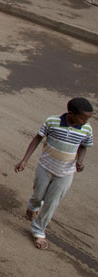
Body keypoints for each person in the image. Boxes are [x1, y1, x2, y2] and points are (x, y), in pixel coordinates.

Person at [14, 97, 93, 250]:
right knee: (38, 195)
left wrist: (80, 162)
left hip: (65, 173)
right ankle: (32, 205)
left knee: (51, 202)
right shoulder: (52, 121)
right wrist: (24, 160)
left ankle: (38, 230)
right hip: (45, 167)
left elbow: (84, 146)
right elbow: (37, 139)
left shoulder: (86, 129)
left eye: (87, 118)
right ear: (71, 113)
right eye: (83, 117)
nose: (85, 121)